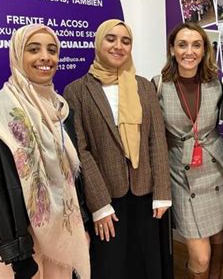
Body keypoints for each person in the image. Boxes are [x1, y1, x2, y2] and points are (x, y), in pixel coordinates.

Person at [0, 24, 90, 279]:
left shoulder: (60, 112)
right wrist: (18, 254)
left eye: (52, 50)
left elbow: (69, 177)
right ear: (17, 55)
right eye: (34, 49)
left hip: (58, 239)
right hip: (18, 250)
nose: (46, 57)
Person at [63, 19, 172, 279]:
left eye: (126, 41)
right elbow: (79, 150)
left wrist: (162, 192)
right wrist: (99, 204)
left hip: (146, 193)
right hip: (107, 195)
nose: (118, 46)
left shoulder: (144, 86)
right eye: (111, 39)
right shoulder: (77, 90)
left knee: (147, 263)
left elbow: (156, 140)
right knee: (111, 265)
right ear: (98, 43)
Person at [154, 22, 223, 279]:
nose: (190, 51)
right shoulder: (158, 85)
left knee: (218, 233)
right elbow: (154, 136)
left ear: (204, 49)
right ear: (172, 49)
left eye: (196, 45)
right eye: (183, 44)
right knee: (200, 257)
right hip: (180, 173)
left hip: (214, 169)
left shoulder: (216, 85)